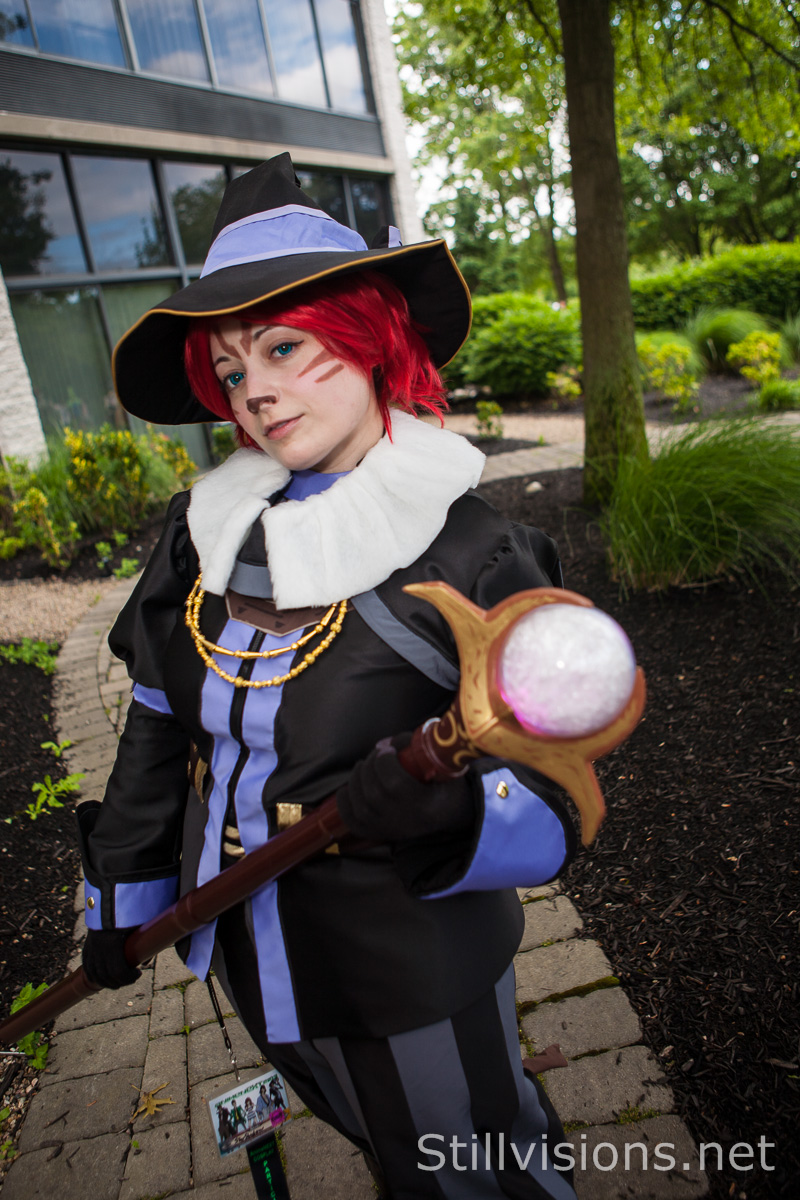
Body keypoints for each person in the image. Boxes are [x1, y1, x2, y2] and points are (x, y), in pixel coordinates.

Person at [78, 154, 578, 1200]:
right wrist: (122, 905)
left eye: (283, 346)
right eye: (230, 371)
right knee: (382, 1150)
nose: (254, 391)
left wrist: (447, 810)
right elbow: (158, 730)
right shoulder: (203, 535)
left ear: (369, 334)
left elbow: (558, 779)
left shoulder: (472, 548)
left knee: (476, 1175)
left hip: (406, 971)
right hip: (246, 953)